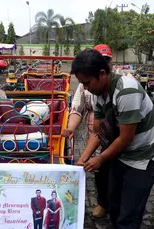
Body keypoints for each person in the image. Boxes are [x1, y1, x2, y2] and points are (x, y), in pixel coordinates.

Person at [71, 49, 154, 229]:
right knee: (113, 200)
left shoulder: (127, 90)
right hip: (123, 154)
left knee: (129, 212)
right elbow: (97, 132)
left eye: (86, 82)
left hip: (144, 157)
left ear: (103, 74)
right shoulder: (99, 92)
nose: (85, 88)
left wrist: (100, 160)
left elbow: (124, 139)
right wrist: (83, 159)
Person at [61, 44, 134, 219]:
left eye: (107, 60)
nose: (106, 63)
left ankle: (120, 209)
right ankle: (104, 202)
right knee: (102, 174)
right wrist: (84, 155)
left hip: (124, 140)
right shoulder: (91, 87)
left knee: (118, 175)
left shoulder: (125, 82)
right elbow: (78, 109)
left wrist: (98, 159)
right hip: (100, 138)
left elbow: (126, 136)